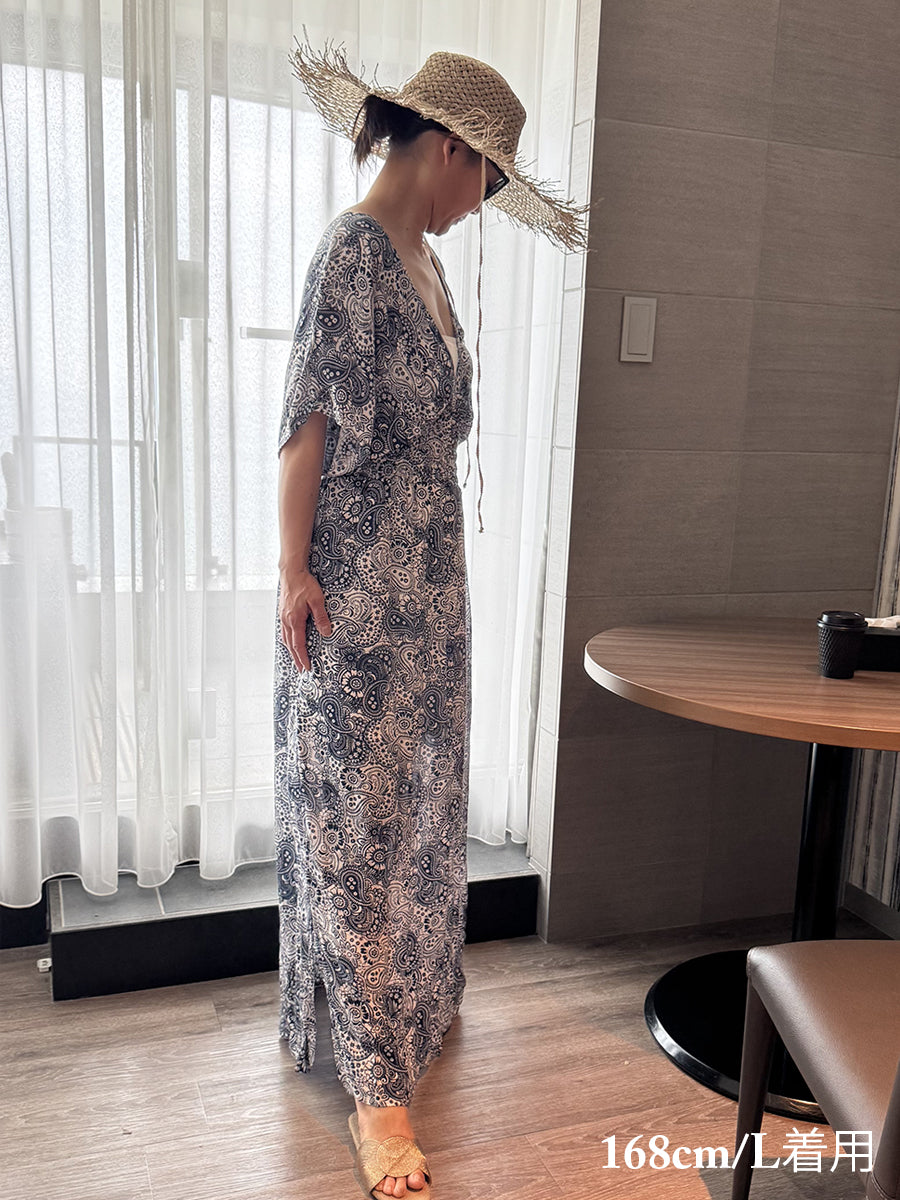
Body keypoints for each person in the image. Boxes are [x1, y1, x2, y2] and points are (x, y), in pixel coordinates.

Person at [274, 39, 587, 1200]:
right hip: (358, 587)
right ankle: (375, 1093)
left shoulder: (428, 265)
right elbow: (307, 421)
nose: (485, 202)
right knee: (355, 826)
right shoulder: (353, 252)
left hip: (430, 591)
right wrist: (292, 571)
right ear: (447, 149)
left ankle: (410, 1002)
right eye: (487, 180)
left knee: (417, 807)